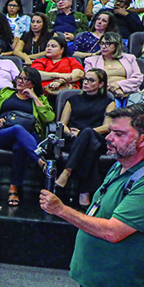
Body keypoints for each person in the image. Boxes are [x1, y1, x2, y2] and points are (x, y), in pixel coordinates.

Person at [40, 103, 144, 287]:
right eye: (110, 131)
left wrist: (61, 210)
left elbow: (114, 232)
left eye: (119, 133)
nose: (109, 138)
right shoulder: (120, 164)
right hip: (95, 279)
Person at [0, 66, 55, 206]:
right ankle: (40, 160)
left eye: (25, 79)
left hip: (28, 137)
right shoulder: (5, 93)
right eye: (19, 78)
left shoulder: (40, 98)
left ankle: (13, 189)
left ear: (33, 83)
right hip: (3, 133)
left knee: (20, 145)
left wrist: (34, 97)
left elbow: (48, 118)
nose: (20, 81)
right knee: (17, 129)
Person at [54, 68, 116, 206]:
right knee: (89, 151)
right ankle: (84, 192)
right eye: (85, 79)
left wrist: (83, 132)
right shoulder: (72, 100)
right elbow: (62, 124)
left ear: (100, 84)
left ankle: (67, 171)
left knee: (88, 134)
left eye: (91, 80)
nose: (86, 82)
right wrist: (70, 132)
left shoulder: (108, 101)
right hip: (74, 139)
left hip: (97, 138)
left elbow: (107, 127)